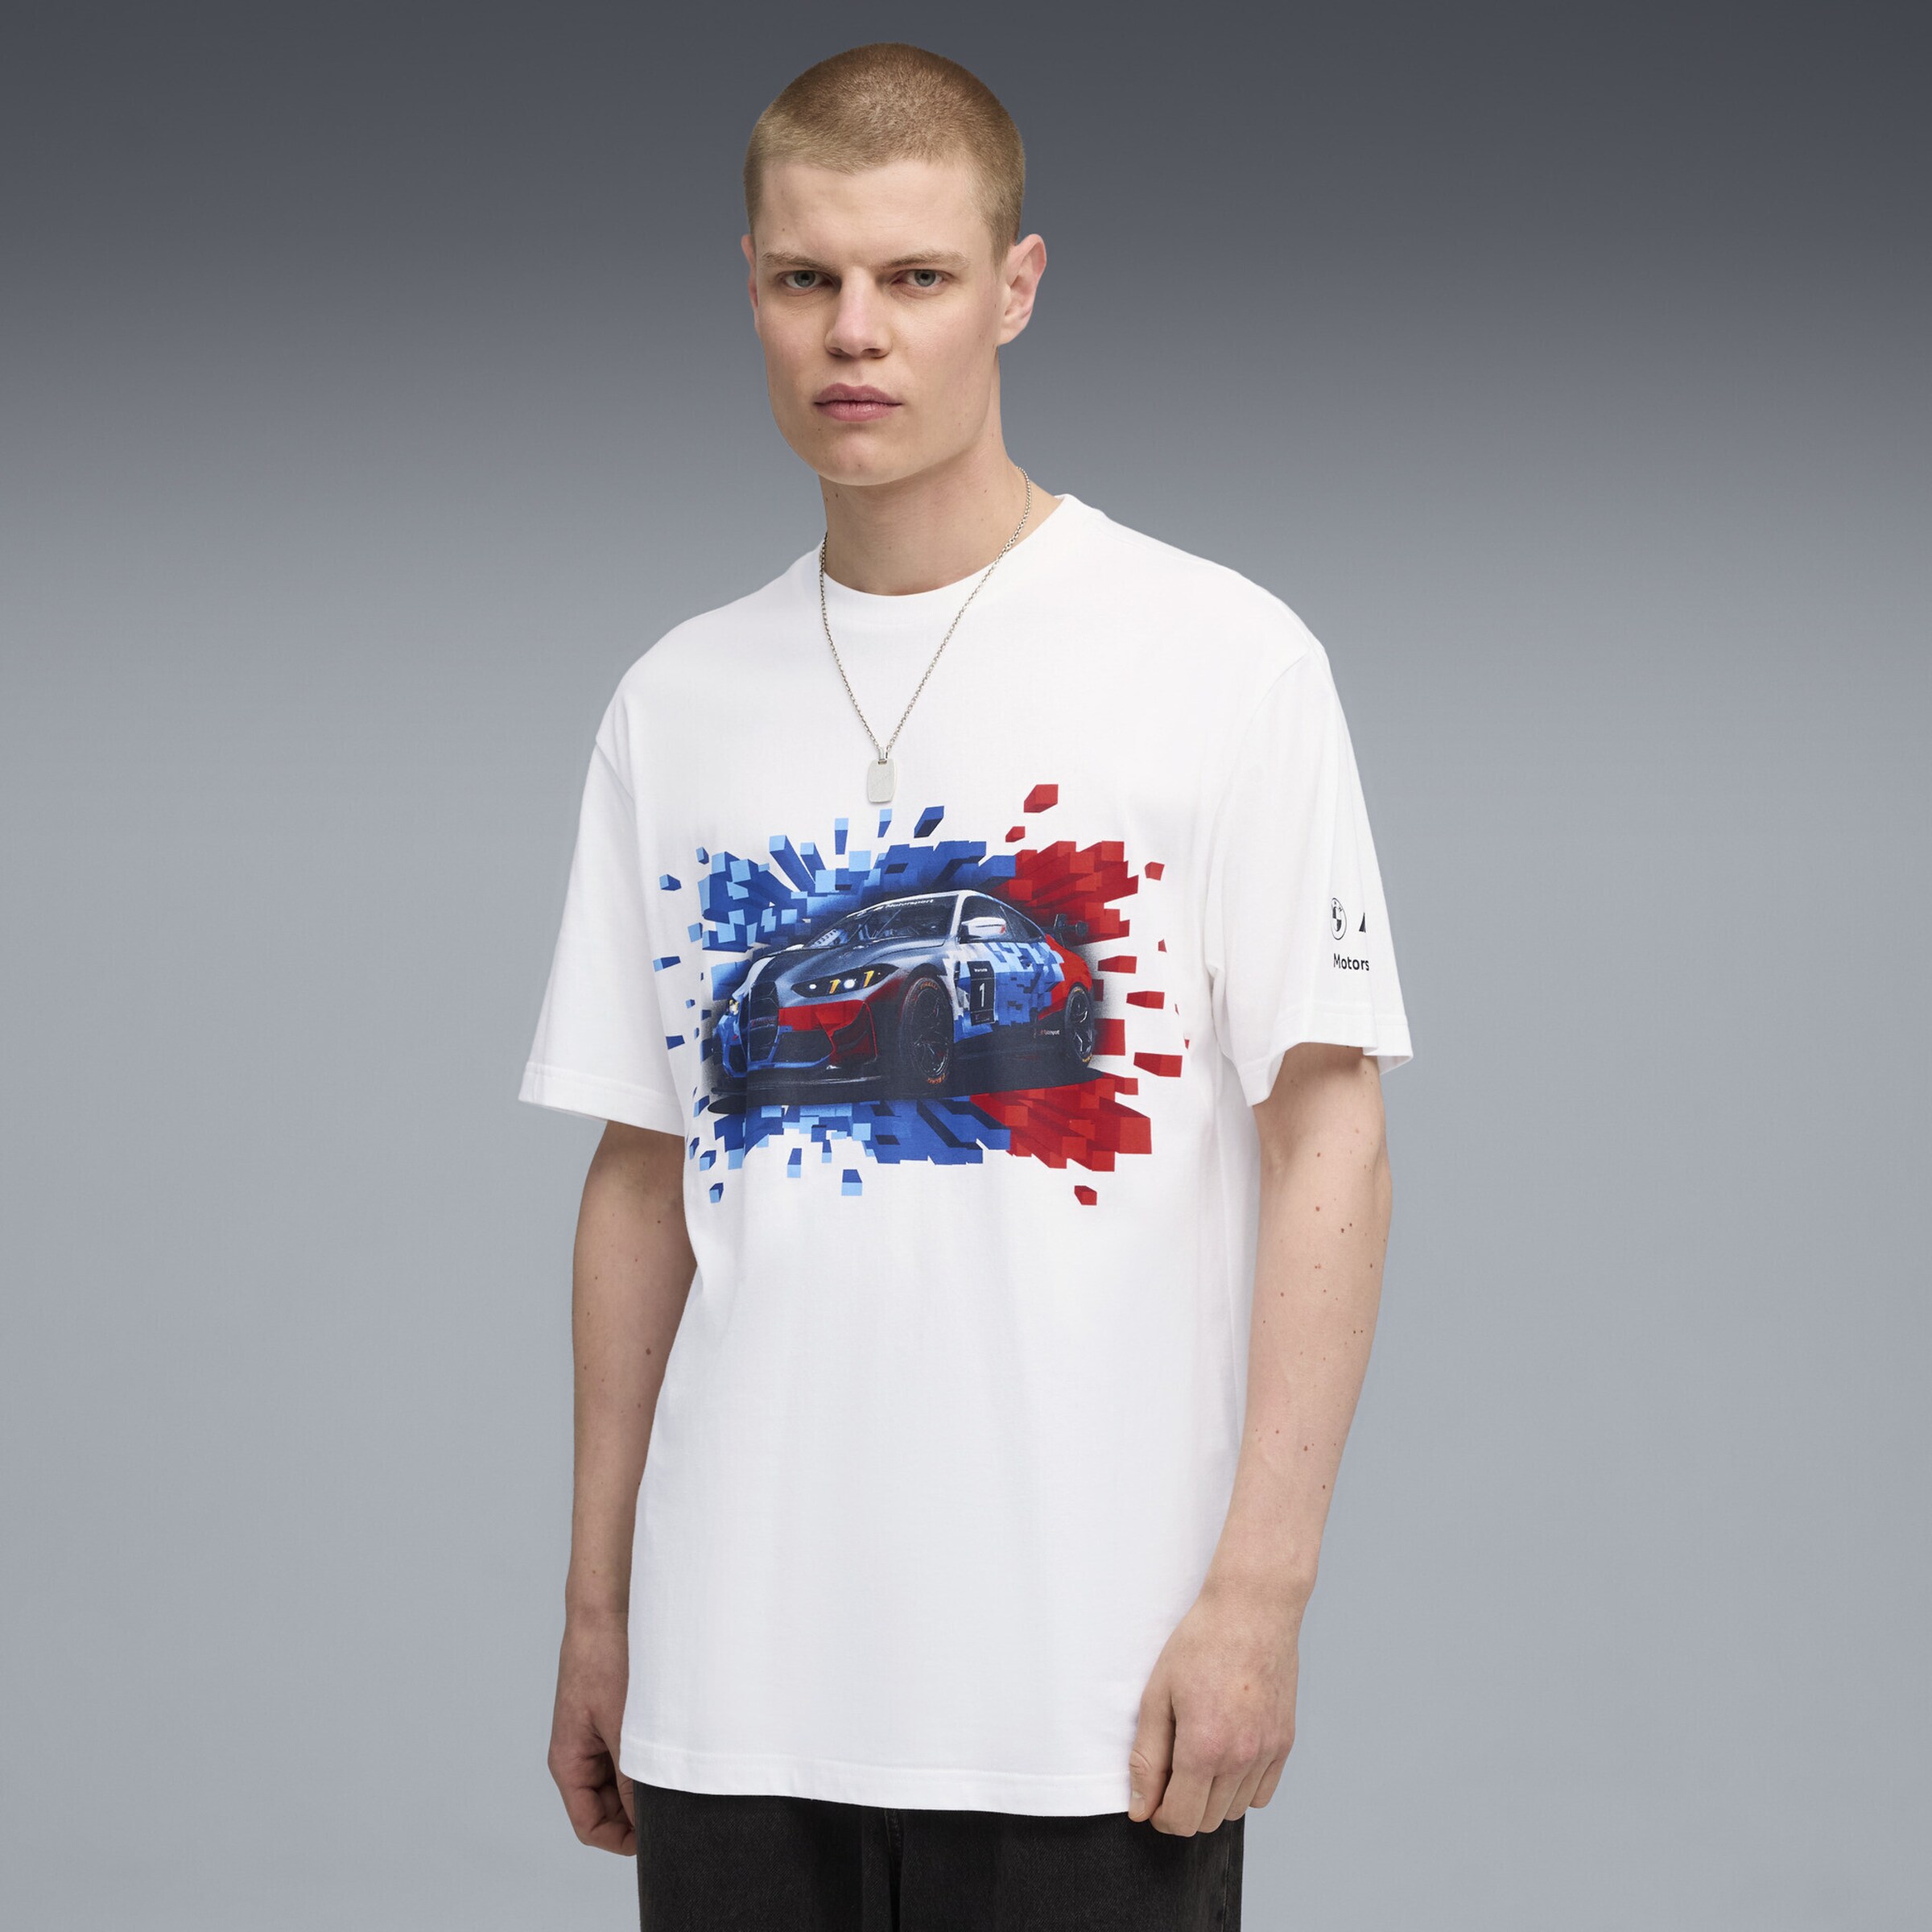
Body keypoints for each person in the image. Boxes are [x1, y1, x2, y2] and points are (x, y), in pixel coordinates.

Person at [518, 40, 1411, 1931]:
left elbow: (1330, 1135)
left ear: (1014, 287)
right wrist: (601, 1612)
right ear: (752, 289)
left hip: (1084, 1687)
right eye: (807, 278)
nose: (856, 333)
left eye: (914, 277)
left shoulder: (1221, 656)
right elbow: (640, 1176)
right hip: (731, 1681)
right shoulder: (677, 699)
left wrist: (1263, 1592)